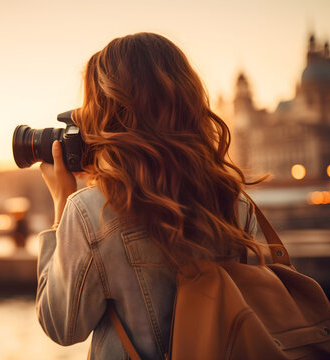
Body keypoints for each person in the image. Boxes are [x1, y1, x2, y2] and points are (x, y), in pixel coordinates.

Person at [36, 33, 260, 359]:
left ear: (106, 114)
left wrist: (62, 202)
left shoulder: (91, 211)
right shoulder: (234, 202)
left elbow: (61, 326)